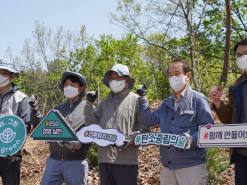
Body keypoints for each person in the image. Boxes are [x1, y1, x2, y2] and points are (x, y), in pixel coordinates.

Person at [138, 58, 214, 185]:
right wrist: (143, 97)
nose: (173, 77)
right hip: (168, 167)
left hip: (191, 168)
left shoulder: (198, 100)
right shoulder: (166, 103)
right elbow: (149, 119)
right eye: (170, 74)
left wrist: (190, 139)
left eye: (177, 73)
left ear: (187, 75)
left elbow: (209, 129)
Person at [87, 63, 144, 185]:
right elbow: (92, 125)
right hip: (104, 160)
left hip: (126, 162)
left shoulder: (136, 100)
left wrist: (131, 140)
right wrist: (88, 104)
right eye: (112, 78)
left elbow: (145, 130)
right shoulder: (104, 102)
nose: (114, 81)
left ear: (127, 80)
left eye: (118, 77)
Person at [41, 71, 95, 185]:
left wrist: (80, 144)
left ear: (81, 88)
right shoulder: (57, 109)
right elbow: (43, 127)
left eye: (73, 85)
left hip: (76, 161)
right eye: (66, 85)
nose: (68, 87)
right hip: (54, 160)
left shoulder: (88, 108)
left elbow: (93, 132)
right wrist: (34, 110)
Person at [209, 38, 247, 185]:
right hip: (242, 154)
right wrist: (218, 102)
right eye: (239, 55)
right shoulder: (236, 87)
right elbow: (231, 118)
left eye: (246, 53)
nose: (242, 57)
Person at [0, 64, 38, 185]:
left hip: (10, 154)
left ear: (11, 76)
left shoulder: (21, 98)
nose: (0, 76)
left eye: (4, 73)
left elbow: (25, 126)